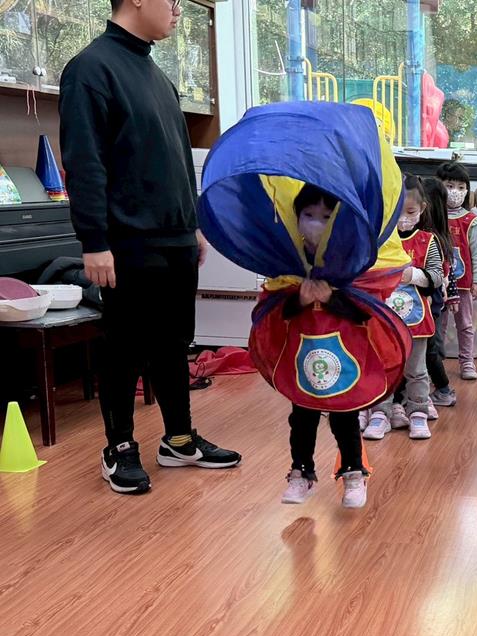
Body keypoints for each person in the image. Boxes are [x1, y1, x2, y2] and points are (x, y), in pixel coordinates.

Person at [59, 0, 239, 495]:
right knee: (126, 348)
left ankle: (179, 440)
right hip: (126, 243)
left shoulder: (158, 76)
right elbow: (85, 162)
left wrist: (192, 225)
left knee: (174, 344)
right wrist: (94, 241)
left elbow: (176, 160)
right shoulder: (91, 69)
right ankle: (119, 447)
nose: (178, 9)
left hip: (176, 239)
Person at [281, 185, 368, 507]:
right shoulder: (287, 259)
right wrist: (300, 301)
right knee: (301, 415)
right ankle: (300, 472)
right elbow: (275, 309)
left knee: (345, 414)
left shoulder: (353, 258)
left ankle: (353, 473)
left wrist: (332, 299)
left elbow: (366, 310)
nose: (316, 224)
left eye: (326, 217)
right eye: (308, 215)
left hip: (344, 353)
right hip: (302, 354)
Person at [364, 175, 443, 441]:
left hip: (416, 319)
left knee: (417, 370)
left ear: (422, 209)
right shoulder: (379, 240)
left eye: (410, 212)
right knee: (384, 367)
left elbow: (437, 276)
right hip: (384, 319)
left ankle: (418, 412)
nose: (403, 219)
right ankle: (380, 413)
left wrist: (411, 275)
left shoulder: (427, 240)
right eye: (396, 213)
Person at [437, 161, 477, 381]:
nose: (455, 191)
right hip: (439, 282)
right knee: (439, 324)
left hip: (463, 283)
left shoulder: (470, 221)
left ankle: (467, 361)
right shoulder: (433, 216)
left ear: (467, 191)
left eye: (461, 187)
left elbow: (476, 253)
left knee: (465, 324)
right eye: (449, 185)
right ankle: (436, 362)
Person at [422, 177, 459, 408]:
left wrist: (449, 292)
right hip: (431, 299)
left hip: (429, 299)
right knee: (431, 343)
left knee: (429, 346)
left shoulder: (430, 237)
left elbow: (445, 271)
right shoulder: (439, 234)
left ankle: (444, 389)